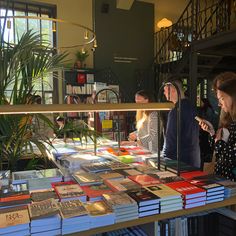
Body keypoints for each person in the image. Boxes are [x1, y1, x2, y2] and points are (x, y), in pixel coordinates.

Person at [199, 73, 236, 180]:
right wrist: (212, 133)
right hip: (223, 176)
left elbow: (231, 154)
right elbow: (223, 144)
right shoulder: (227, 116)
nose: (219, 103)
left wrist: (219, 143)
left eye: (222, 98)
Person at [162, 78, 201, 168]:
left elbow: (170, 139)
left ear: (172, 90)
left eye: (164, 90)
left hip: (178, 161)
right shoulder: (191, 107)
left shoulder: (176, 110)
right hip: (193, 159)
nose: (163, 93)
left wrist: (164, 158)